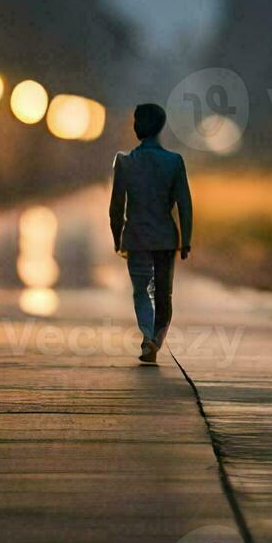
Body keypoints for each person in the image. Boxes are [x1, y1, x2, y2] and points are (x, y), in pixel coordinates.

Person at [108, 103, 193, 364]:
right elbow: (185, 205)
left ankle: (147, 336)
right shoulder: (174, 162)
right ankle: (156, 337)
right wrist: (186, 240)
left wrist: (117, 238)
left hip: (136, 238)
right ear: (161, 127)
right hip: (166, 239)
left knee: (141, 291)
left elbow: (116, 208)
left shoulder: (124, 162)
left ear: (138, 127)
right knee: (164, 292)